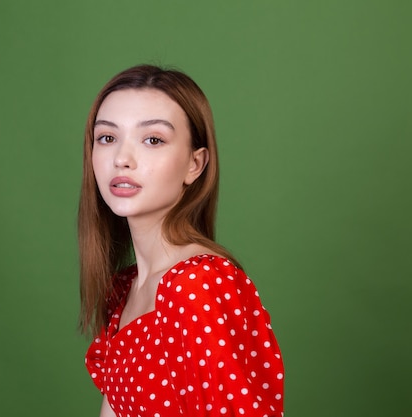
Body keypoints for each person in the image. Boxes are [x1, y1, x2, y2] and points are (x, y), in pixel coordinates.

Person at [78, 64, 284, 417]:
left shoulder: (198, 285)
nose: (121, 159)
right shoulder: (124, 288)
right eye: (107, 138)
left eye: (153, 140)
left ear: (195, 164)